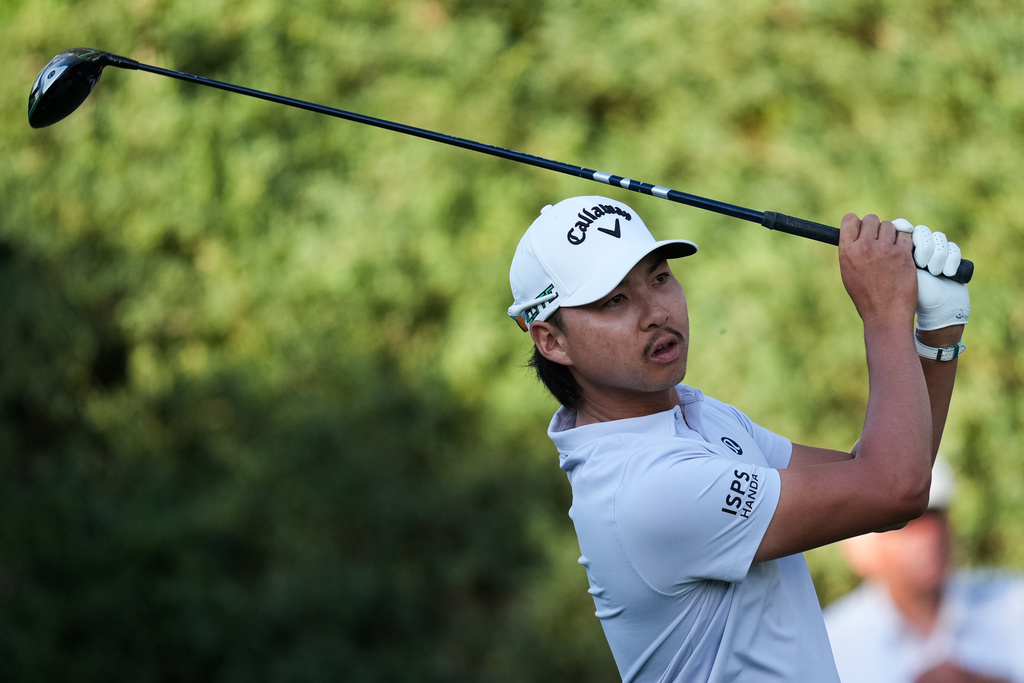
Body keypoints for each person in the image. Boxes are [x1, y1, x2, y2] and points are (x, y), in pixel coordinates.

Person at [505, 195, 970, 682]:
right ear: (551, 340)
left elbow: (889, 475)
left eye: (659, 278)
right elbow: (893, 489)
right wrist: (885, 311)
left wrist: (938, 333)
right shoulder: (641, 487)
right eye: (614, 300)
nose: (655, 312)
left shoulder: (697, 417)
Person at [825, 456, 1024, 683]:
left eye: (936, 517)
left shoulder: (1014, 606)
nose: (929, 536)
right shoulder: (833, 646)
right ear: (862, 548)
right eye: (906, 524)